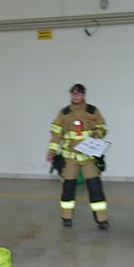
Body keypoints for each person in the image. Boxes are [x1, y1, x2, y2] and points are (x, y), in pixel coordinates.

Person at [46, 83, 109, 229]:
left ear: (83, 95)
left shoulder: (92, 111)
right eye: (73, 94)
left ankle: (102, 219)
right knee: (68, 189)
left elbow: (103, 127)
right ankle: (66, 217)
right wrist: (52, 152)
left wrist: (97, 134)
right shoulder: (64, 113)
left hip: (89, 158)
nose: (75, 96)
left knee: (95, 189)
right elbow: (56, 135)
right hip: (70, 158)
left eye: (78, 94)